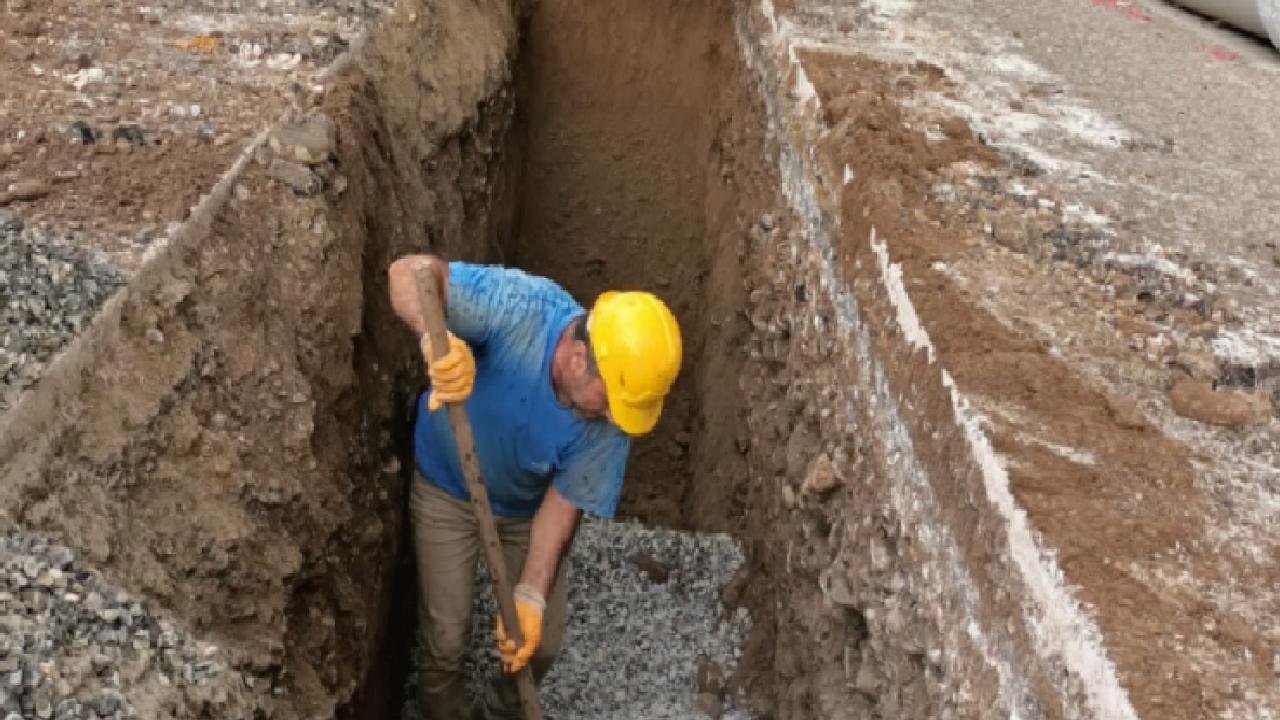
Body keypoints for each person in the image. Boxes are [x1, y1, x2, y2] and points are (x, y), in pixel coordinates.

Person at [387, 254, 683, 720]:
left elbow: (563, 503)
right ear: (579, 359)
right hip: (447, 486)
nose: (614, 418)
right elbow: (407, 273)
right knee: (446, 639)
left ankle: (499, 712)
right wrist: (433, 338)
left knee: (538, 645)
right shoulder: (518, 308)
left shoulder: (612, 422)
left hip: (525, 509)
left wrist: (529, 594)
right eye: (610, 401)